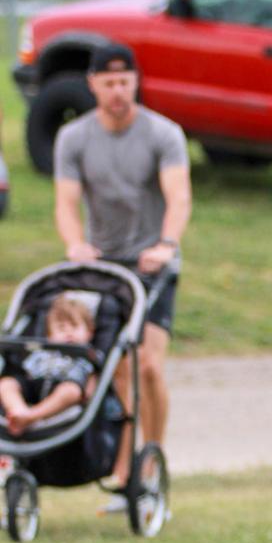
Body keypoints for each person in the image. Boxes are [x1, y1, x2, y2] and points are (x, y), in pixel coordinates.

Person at [53, 41, 191, 510]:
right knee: (119, 370)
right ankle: (125, 467)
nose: (117, 91)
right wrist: (76, 245)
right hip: (102, 265)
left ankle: (152, 468)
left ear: (136, 82)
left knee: (148, 365)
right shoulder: (74, 139)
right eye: (108, 82)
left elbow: (179, 197)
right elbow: (66, 203)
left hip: (154, 266)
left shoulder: (163, 134)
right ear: (92, 84)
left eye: (125, 81)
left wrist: (166, 244)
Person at [0, 295, 97, 436]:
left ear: (89, 332)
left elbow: (94, 380)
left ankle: (31, 416)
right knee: (6, 383)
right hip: (34, 383)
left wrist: (90, 387)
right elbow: (25, 370)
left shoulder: (90, 355)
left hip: (64, 388)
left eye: (75, 326)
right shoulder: (41, 351)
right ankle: (18, 411)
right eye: (61, 328)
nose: (68, 333)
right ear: (49, 335)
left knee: (71, 391)